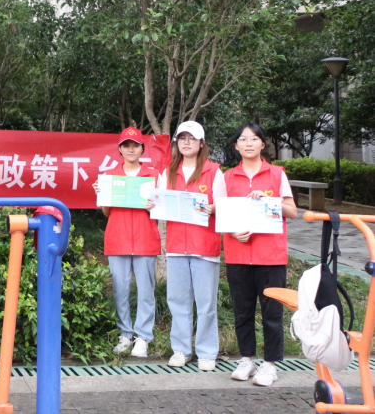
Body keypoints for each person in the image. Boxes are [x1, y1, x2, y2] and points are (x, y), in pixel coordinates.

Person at [219, 123, 297, 387]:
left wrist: (269, 200)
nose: (248, 143)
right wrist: (232, 232)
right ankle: (247, 359)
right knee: (242, 311)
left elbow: (292, 211)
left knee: (271, 313)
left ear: (263, 144)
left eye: (254, 139)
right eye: (243, 139)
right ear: (236, 145)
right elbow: (222, 212)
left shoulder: (276, 173)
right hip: (238, 254)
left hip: (270, 256)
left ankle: (270, 364)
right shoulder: (228, 177)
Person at [157, 120, 224, 371]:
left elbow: (224, 205)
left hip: (204, 246)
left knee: (206, 303)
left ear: (202, 143)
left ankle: (207, 352)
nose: (186, 143)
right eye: (182, 138)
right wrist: (154, 204)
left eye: (192, 138)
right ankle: (181, 349)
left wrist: (214, 208)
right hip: (176, 246)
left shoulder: (213, 171)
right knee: (177, 300)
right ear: (177, 143)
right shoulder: (168, 172)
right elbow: (161, 204)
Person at [95, 127, 159, 358]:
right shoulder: (109, 175)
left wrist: (154, 205)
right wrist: (103, 195)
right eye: (126, 145)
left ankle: (143, 337)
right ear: (120, 149)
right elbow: (106, 212)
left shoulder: (154, 175)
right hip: (118, 237)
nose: (131, 149)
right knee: (120, 289)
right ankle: (125, 334)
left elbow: (160, 211)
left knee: (145, 290)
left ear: (142, 149)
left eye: (135, 145)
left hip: (145, 238)